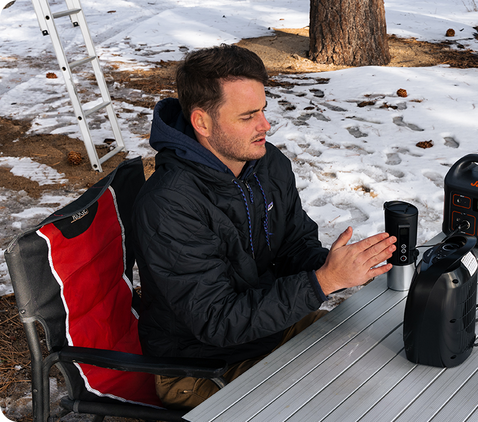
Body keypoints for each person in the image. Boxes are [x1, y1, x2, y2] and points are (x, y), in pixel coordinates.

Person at [132, 44, 396, 410]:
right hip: (202, 365)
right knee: (342, 404)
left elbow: (293, 244)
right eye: (247, 116)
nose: (265, 126)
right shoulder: (169, 205)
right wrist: (323, 282)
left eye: (263, 111)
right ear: (202, 123)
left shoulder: (267, 164)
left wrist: (339, 266)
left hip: (270, 331)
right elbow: (218, 321)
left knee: (385, 355)